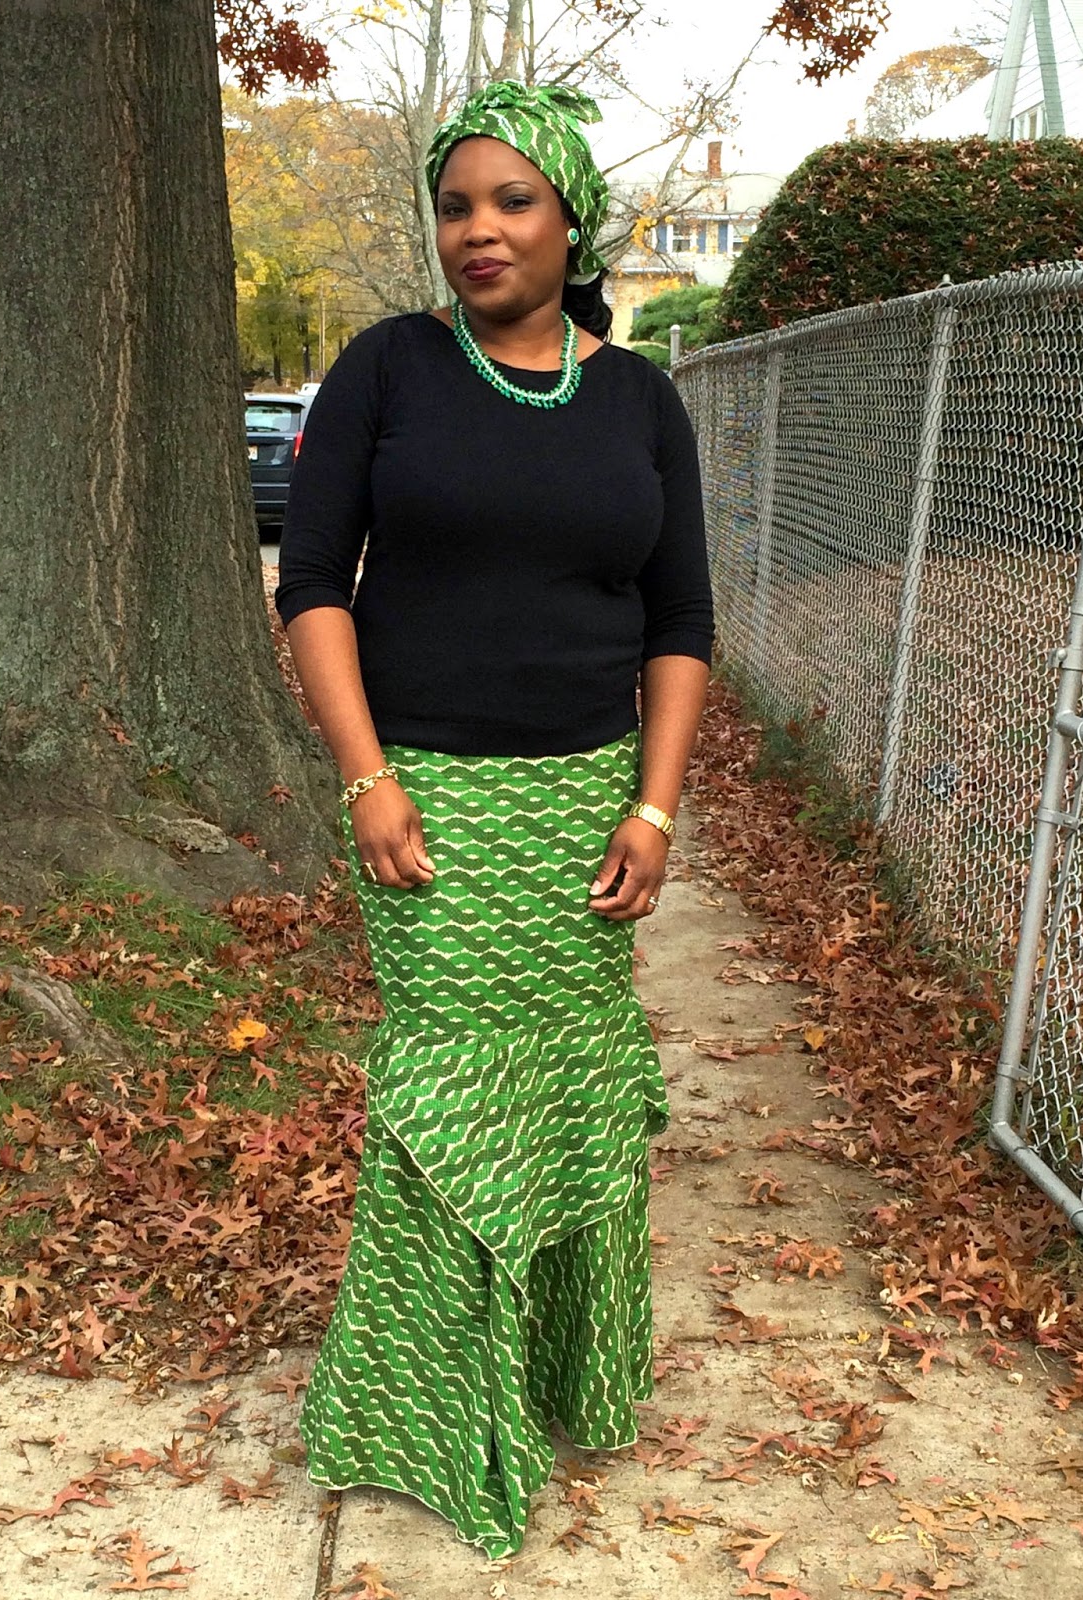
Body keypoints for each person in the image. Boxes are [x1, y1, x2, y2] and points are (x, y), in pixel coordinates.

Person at [274, 79, 714, 1560]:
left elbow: (681, 620)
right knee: (451, 1091)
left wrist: (655, 808)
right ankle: (433, 1414)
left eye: (513, 201)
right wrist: (366, 778)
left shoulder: (641, 400)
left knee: (571, 1081)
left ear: (569, 219)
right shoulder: (387, 368)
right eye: (456, 204)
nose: (479, 230)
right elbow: (313, 585)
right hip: (430, 804)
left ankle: (560, 1378)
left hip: (588, 801)